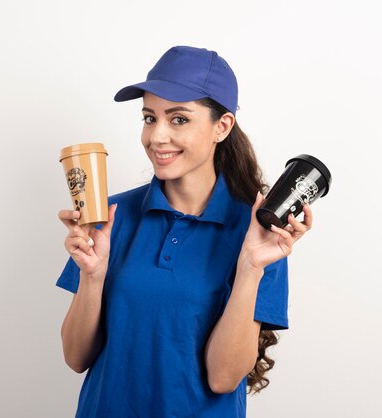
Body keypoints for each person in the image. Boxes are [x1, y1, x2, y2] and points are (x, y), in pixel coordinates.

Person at [56, 46, 313, 418]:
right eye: (149, 118)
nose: (157, 136)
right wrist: (92, 277)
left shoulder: (259, 233)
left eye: (178, 120)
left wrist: (250, 267)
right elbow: (75, 357)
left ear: (221, 127)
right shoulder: (110, 215)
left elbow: (223, 379)